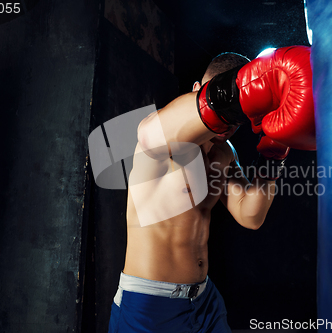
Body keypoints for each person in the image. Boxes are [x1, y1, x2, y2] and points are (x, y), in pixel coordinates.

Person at [107, 46, 315, 333]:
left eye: (238, 118)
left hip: (205, 302)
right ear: (196, 90)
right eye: (229, 113)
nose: (229, 126)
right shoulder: (168, 139)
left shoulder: (223, 153)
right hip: (150, 306)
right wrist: (234, 96)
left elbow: (249, 214)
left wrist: (274, 154)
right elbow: (148, 133)